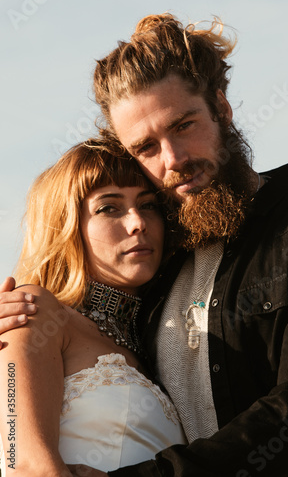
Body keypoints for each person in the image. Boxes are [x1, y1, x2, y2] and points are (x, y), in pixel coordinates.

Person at [0, 13, 288, 476]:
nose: (173, 160)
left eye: (183, 125)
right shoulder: (160, 264)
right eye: (146, 148)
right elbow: (20, 453)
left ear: (222, 108)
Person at [0, 140, 186, 476]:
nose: (137, 223)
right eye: (109, 208)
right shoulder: (35, 310)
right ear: (67, 225)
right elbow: (24, 464)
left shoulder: (155, 346)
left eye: (147, 205)